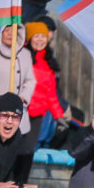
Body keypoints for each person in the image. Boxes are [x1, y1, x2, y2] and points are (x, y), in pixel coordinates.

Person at [23, 20, 68, 152]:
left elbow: (51, 94)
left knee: (38, 148)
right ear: (29, 38)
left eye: (43, 36)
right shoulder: (23, 58)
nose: (40, 40)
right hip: (25, 112)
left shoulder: (48, 62)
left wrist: (59, 116)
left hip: (41, 115)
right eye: (36, 36)